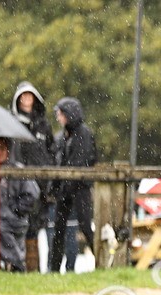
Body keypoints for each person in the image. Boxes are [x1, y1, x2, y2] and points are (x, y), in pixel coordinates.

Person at [49, 97, 97, 274]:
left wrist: (65, 183)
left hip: (80, 188)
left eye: (60, 114)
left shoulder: (84, 134)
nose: (58, 117)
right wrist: (56, 187)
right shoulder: (62, 136)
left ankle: (101, 261)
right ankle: (53, 269)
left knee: (85, 226)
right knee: (59, 230)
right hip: (66, 189)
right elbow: (59, 162)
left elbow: (81, 162)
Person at [10, 81, 54, 272]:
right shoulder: (11, 123)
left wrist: (48, 175)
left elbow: (51, 151)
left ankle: (36, 269)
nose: (27, 100)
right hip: (19, 183)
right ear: (18, 100)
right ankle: (18, 267)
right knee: (19, 225)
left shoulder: (43, 125)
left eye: (30, 96)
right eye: (23, 96)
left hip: (41, 184)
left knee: (37, 228)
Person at [0, 137, 40, 273]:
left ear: (8, 150)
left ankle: (17, 265)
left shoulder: (18, 170)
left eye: (1, 148)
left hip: (13, 221)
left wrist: (15, 209)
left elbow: (32, 195)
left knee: (1, 230)